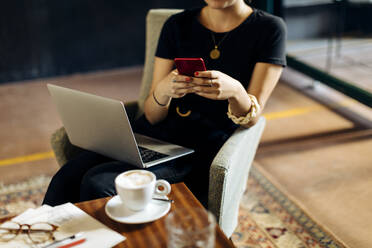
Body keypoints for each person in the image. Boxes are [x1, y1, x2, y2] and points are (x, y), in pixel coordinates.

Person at [43, 0, 286, 207]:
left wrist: (235, 91)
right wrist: (162, 91)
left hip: (201, 149)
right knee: (68, 175)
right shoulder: (177, 25)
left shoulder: (269, 29)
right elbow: (152, 114)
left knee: (99, 183)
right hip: (154, 136)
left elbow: (253, 116)